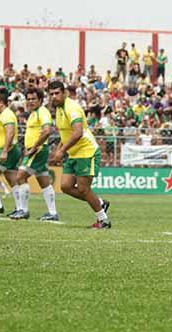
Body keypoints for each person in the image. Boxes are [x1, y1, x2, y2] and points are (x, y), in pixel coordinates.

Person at [48, 81, 111, 229]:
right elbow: (66, 135)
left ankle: (103, 220)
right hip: (73, 153)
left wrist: (61, 151)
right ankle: (100, 202)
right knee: (65, 186)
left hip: (86, 151)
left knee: (83, 188)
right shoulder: (59, 109)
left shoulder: (72, 108)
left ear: (64, 93)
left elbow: (77, 133)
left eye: (57, 93)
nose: (54, 96)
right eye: (51, 94)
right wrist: (60, 149)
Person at [10, 88, 59, 221]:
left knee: (20, 177)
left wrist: (34, 147)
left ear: (40, 100)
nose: (30, 101)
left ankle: (23, 210)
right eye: (28, 99)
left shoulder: (42, 112)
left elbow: (47, 131)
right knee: (44, 181)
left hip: (37, 150)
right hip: (36, 149)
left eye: (33, 99)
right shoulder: (33, 113)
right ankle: (53, 213)